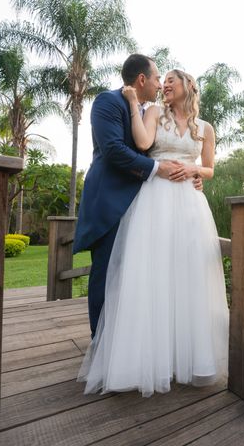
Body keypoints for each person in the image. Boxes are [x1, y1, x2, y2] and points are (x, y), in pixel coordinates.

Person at [78, 69, 229, 397]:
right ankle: (144, 359)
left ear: (188, 86)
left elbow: (210, 167)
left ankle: (183, 358)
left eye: (172, 81)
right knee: (151, 274)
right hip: (155, 200)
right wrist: (134, 104)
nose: (165, 85)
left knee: (186, 276)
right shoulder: (154, 112)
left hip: (190, 202)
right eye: (163, 81)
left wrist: (194, 170)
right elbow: (145, 144)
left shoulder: (205, 128)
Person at [73, 54, 201, 339]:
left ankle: (130, 342)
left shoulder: (150, 111)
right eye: (158, 78)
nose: (160, 84)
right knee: (107, 274)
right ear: (142, 79)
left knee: (136, 276)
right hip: (111, 203)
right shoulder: (108, 101)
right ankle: (101, 345)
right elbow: (114, 150)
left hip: (144, 205)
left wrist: (192, 175)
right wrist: (159, 168)